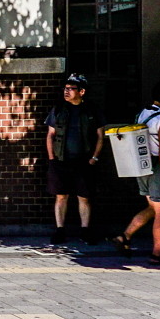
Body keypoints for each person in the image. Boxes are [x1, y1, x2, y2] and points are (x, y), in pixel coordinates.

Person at [111, 80, 160, 265]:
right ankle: (157, 255)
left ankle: (125, 236)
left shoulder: (143, 113)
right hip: (157, 167)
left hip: (141, 166)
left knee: (153, 208)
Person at [44, 74, 104, 244]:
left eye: (71, 89)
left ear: (82, 91)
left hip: (84, 161)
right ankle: (60, 230)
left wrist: (94, 158)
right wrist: (52, 158)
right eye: (65, 88)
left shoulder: (92, 110)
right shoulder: (58, 109)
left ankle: (85, 231)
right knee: (61, 196)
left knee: (84, 197)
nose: (67, 91)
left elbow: (101, 136)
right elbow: (50, 135)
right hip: (61, 161)